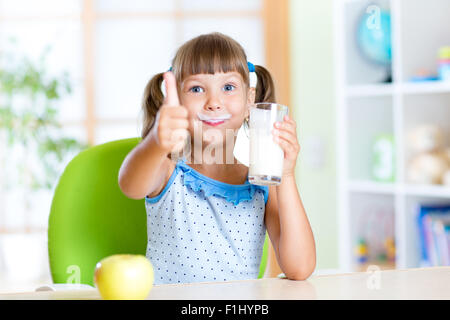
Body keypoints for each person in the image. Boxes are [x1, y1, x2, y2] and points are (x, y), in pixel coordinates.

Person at [118, 32, 315, 284]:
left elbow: (300, 268)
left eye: (228, 87)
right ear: (176, 99)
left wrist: (286, 175)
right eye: (197, 88)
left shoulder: (261, 185)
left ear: (249, 102)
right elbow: (130, 185)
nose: (213, 102)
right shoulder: (167, 172)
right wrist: (156, 142)